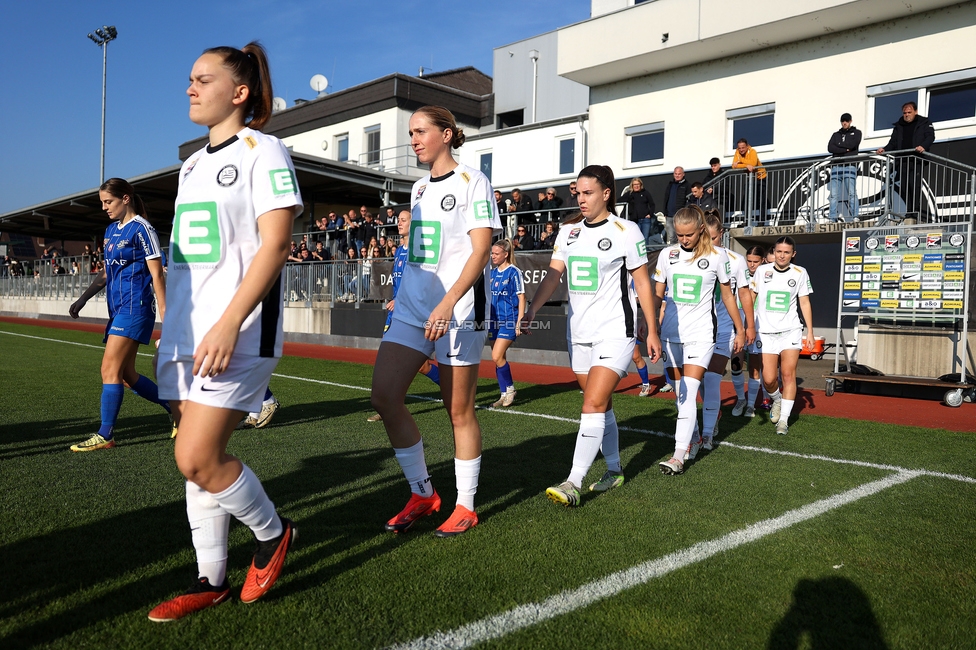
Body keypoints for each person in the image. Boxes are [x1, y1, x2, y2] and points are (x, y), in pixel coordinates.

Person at [148, 42, 302, 621]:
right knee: (196, 460)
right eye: (189, 78)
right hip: (185, 336)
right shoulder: (190, 164)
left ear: (239, 93)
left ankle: (273, 533)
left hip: (235, 332)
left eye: (202, 79)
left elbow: (277, 245)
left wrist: (229, 321)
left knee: (196, 455)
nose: (190, 88)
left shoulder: (267, 152)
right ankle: (209, 578)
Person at [369, 105, 501, 538]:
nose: (414, 140)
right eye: (411, 133)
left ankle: (465, 505)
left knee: (457, 410)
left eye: (421, 131)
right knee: (385, 396)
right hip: (412, 309)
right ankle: (423, 492)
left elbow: (481, 251)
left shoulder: (473, 181)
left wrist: (447, 303)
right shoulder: (419, 188)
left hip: (458, 311)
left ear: (447, 134)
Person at [523, 164, 662, 506]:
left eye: (587, 193)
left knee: (592, 403)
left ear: (606, 193)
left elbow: (642, 282)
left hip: (616, 330)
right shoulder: (568, 233)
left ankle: (573, 481)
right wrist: (533, 308)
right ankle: (614, 470)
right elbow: (554, 277)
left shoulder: (626, 230)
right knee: (602, 405)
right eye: (577, 193)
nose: (581, 199)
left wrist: (652, 328)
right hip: (579, 333)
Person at [67, 177, 172, 452]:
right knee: (126, 375)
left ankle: (105, 435)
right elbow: (106, 272)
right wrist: (83, 298)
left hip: (135, 309)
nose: (104, 207)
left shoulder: (143, 229)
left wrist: (167, 318)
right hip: (117, 311)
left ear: (126, 198)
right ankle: (176, 408)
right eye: (102, 202)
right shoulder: (112, 230)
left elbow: (157, 276)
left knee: (108, 369)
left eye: (108, 201)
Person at [652, 205, 746, 475]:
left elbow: (728, 296)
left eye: (688, 235)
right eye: (679, 235)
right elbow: (658, 295)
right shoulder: (666, 255)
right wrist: (649, 326)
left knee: (688, 393)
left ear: (701, 230)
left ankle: (678, 455)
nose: (683, 240)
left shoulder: (718, 257)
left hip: (702, 336)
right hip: (671, 336)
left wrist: (740, 329)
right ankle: (693, 437)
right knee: (681, 397)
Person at [366, 210, 441, 423]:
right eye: (398, 220)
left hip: (415, 313)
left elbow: (420, 282)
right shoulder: (399, 251)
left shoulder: (419, 252)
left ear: (413, 223)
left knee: (421, 365)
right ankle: (386, 405)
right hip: (397, 314)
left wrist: (401, 299)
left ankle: (450, 387)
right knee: (390, 359)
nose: (399, 223)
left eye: (403, 220)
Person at [749, 236, 815, 436]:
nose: (782, 255)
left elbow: (804, 303)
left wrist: (810, 331)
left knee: (788, 374)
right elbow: (751, 297)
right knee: (769, 379)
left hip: (791, 331)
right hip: (765, 332)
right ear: (774, 252)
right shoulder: (762, 271)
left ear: (793, 254)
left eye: (787, 252)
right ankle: (777, 399)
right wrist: (747, 324)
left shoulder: (800, 272)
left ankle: (783, 421)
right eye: (779, 251)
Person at [700, 214, 755, 449]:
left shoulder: (736, 260)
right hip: (697, 330)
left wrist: (746, 327)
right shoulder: (693, 256)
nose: (709, 243)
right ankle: (713, 415)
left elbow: (742, 294)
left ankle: (707, 433)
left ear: (720, 233)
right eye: (705, 238)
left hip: (723, 328)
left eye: (712, 238)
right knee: (696, 381)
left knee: (712, 379)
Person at [876, 101, 935, 221]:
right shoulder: (899, 126)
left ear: (915, 112)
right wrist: (884, 149)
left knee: (914, 185)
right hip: (902, 160)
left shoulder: (924, 122)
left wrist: (923, 146)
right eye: (905, 113)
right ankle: (909, 211)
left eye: (909, 112)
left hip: (916, 159)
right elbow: (893, 142)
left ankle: (914, 211)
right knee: (904, 186)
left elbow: (930, 137)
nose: (907, 115)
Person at [488, 238, 525, 408]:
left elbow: (521, 296)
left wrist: (520, 321)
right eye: (492, 253)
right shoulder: (492, 272)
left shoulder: (514, 272)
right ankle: (504, 393)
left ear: (506, 254)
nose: (492, 256)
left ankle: (510, 389)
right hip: (493, 321)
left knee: (496, 355)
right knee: (498, 358)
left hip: (509, 320)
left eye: (496, 253)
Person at [739, 245, 768, 417]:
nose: (751, 265)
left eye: (755, 261)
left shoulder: (767, 276)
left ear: (762, 260)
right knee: (746, 366)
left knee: (765, 367)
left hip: (763, 327)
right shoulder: (740, 274)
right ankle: (747, 402)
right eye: (748, 260)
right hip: (743, 326)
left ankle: (764, 399)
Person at [827, 113, 862, 222]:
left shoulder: (856, 132)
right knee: (833, 195)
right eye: (843, 121)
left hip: (850, 166)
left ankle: (855, 216)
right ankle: (832, 218)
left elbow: (853, 144)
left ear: (850, 121)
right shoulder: (835, 134)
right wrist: (845, 150)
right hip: (836, 167)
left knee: (851, 193)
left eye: (846, 121)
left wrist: (839, 148)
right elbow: (830, 147)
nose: (844, 123)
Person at [732, 138, 768, 222]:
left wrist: (741, 161)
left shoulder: (752, 151)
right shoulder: (737, 152)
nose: (741, 150)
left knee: (760, 199)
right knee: (747, 198)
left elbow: (753, 163)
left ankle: (762, 220)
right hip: (751, 177)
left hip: (761, 177)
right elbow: (734, 166)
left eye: (743, 148)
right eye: (739, 148)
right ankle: (747, 220)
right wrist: (747, 165)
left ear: (747, 146)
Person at [622, 177, 658, 247]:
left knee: (645, 238)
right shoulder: (629, 194)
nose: (636, 186)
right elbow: (619, 200)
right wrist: (628, 199)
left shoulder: (645, 193)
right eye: (634, 184)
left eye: (638, 184)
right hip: (635, 221)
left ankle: (646, 255)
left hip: (645, 220)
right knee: (636, 239)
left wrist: (650, 214)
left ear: (641, 184)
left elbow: (652, 204)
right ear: (632, 186)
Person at [662, 167, 689, 244]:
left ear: (683, 174)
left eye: (679, 174)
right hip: (669, 215)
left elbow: (688, 200)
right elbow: (666, 198)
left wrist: (684, 212)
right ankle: (673, 252)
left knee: (680, 235)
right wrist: (665, 211)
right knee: (671, 237)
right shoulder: (670, 185)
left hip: (679, 215)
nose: (677, 175)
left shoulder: (687, 185)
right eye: (675, 174)